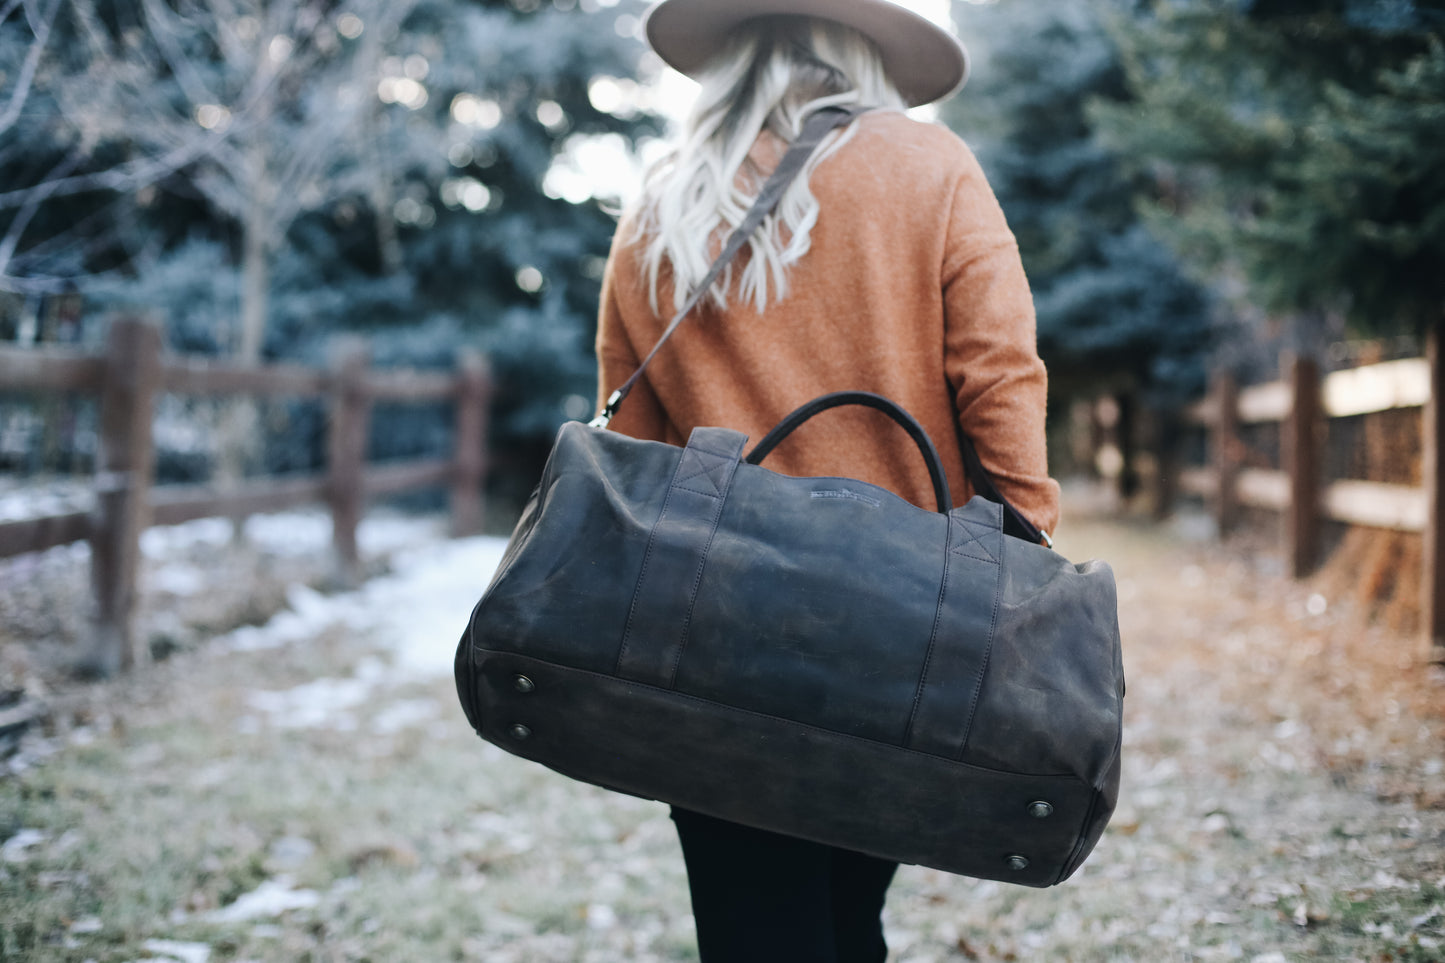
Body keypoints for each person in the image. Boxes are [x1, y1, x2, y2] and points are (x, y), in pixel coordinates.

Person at [594, 1, 1062, 960]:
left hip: (708, 632)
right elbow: (999, 377)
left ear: (729, 55)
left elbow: (630, 438)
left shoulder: (660, 205)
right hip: (900, 632)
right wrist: (1029, 565)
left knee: (750, 923)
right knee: (852, 916)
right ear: (866, 49)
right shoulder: (929, 168)